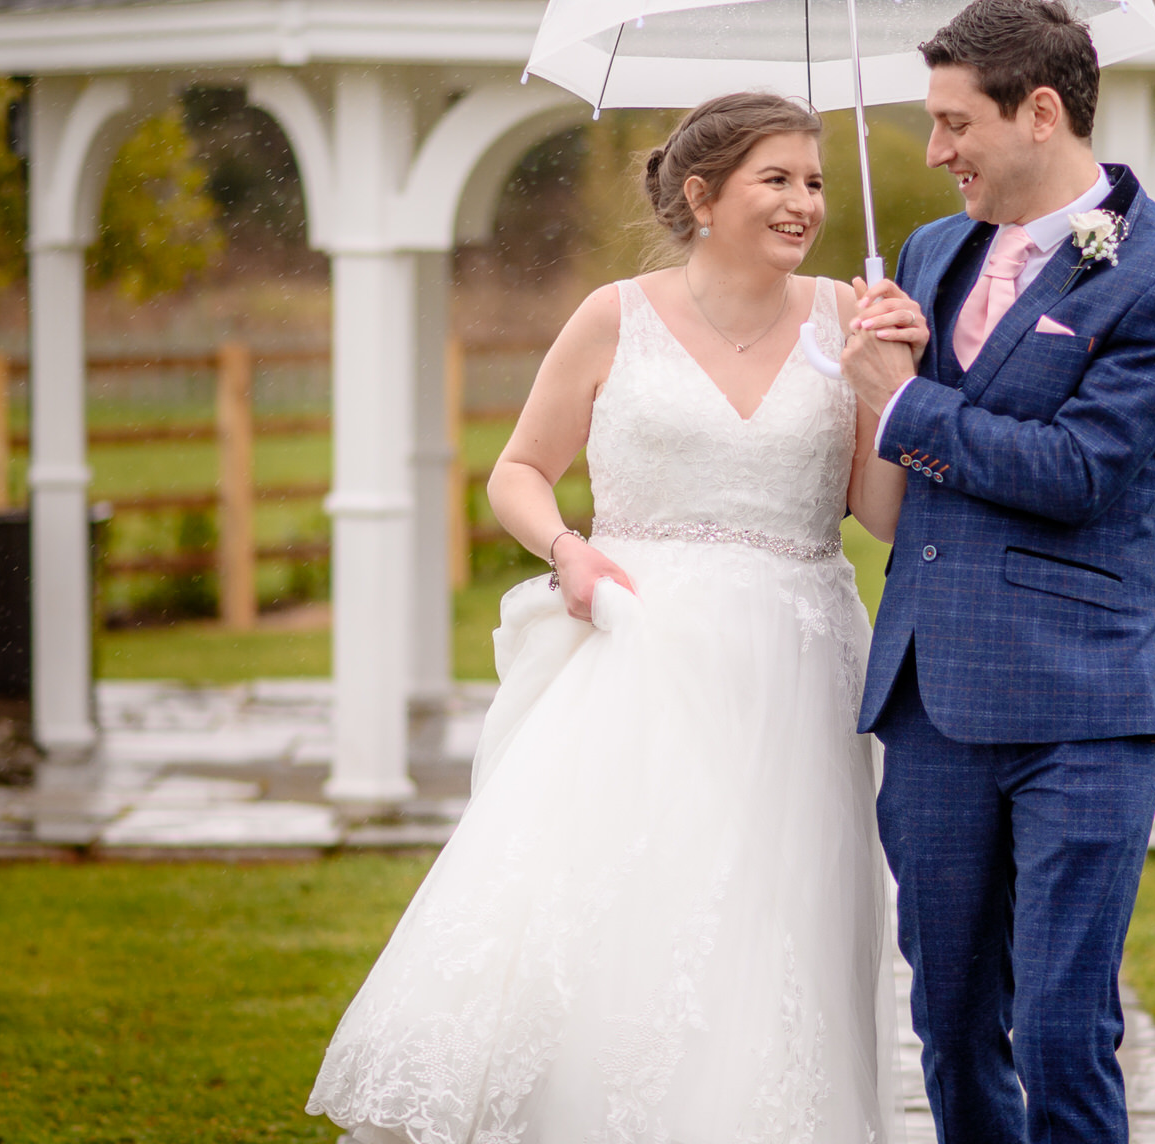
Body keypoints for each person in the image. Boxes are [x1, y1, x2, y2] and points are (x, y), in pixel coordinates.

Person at [308, 91, 920, 1144]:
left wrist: (893, 387)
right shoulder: (612, 315)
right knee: (631, 903)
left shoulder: (848, 318)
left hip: (795, 662)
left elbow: (878, 515)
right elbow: (518, 471)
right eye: (775, 178)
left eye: (814, 182)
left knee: (777, 926)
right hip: (637, 645)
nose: (804, 203)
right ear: (701, 193)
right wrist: (567, 549)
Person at [840, 0, 1155, 1143]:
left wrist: (905, 404)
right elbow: (897, 477)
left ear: (1040, 112)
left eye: (954, 123)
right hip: (931, 702)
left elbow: (1082, 473)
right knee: (952, 1025)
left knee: (1063, 1027)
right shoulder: (925, 250)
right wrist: (881, 386)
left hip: (1083, 698)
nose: (934, 150)